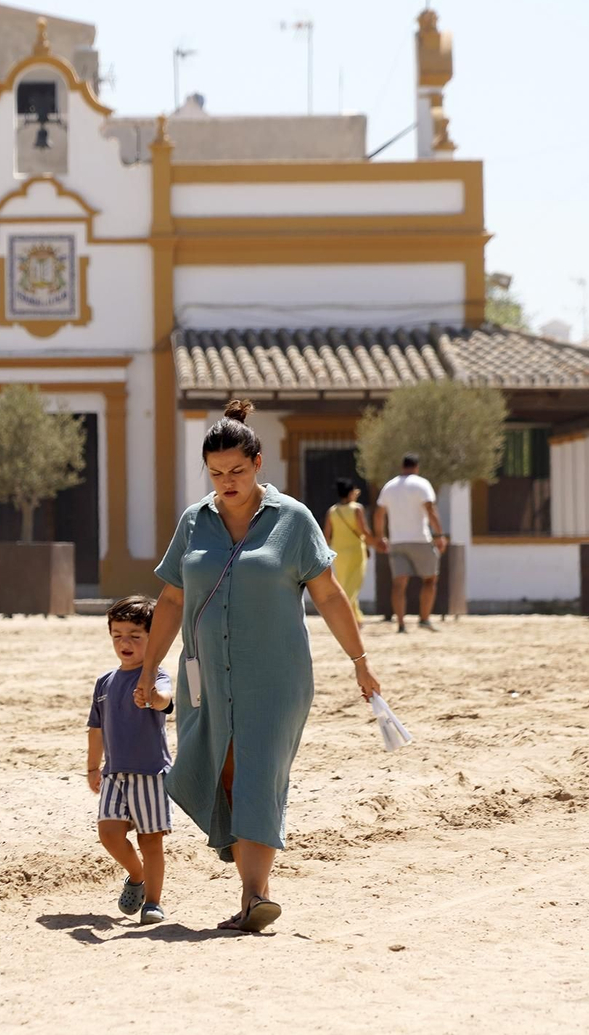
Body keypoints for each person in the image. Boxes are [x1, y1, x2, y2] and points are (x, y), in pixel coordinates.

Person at [139, 399, 383, 934]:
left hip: (276, 678)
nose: (227, 482)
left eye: (238, 471)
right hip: (206, 676)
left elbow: (331, 595)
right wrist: (148, 667)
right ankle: (246, 861)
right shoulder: (194, 521)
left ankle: (255, 895)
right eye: (217, 473)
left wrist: (360, 661)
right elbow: (173, 600)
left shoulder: (292, 520)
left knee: (260, 772)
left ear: (258, 463)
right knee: (224, 771)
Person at [86, 595, 174, 925]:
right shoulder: (105, 682)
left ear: (153, 638)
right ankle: (136, 875)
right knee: (109, 833)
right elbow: (95, 728)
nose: (125, 642)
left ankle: (153, 902)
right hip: (114, 774)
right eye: (117, 635)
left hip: (151, 773)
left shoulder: (156, 675)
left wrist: (151, 696)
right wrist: (93, 767)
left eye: (135, 636)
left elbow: (166, 700)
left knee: (150, 841)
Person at [374, 453, 447, 633]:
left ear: (402, 466)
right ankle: (424, 619)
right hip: (420, 539)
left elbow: (379, 514)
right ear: (417, 467)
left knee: (399, 584)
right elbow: (430, 510)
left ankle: (400, 624)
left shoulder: (389, 486)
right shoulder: (422, 484)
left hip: (397, 541)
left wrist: (380, 536)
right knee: (430, 579)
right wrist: (439, 535)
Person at [323, 478, 379, 624]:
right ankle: (339, 610)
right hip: (355, 551)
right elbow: (364, 531)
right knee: (354, 583)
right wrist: (376, 544)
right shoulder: (357, 508)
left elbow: (327, 535)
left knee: (344, 582)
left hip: (339, 553)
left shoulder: (332, 511)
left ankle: (355, 618)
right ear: (350, 493)